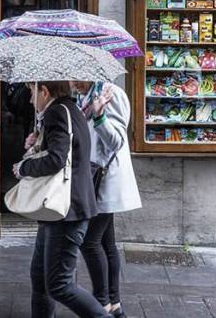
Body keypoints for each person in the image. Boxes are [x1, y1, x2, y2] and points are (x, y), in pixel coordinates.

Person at [13, 81, 112, 318]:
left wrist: (24, 167)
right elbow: (66, 151)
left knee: (59, 285)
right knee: (40, 277)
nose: (29, 99)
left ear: (44, 91)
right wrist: (36, 141)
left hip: (67, 211)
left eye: (31, 91)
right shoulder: (69, 108)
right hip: (59, 209)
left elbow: (56, 159)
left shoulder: (57, 112)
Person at [71, 81, 142, 318]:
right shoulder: (84, 97)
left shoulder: (112, 94)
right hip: (93, 178)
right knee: (105, 243)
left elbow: (117, 141)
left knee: (89, 241)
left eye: (76, 77)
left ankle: (101, 302)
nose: (73, 83)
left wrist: (100, 115)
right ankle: (115, 304)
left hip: (104, 179)